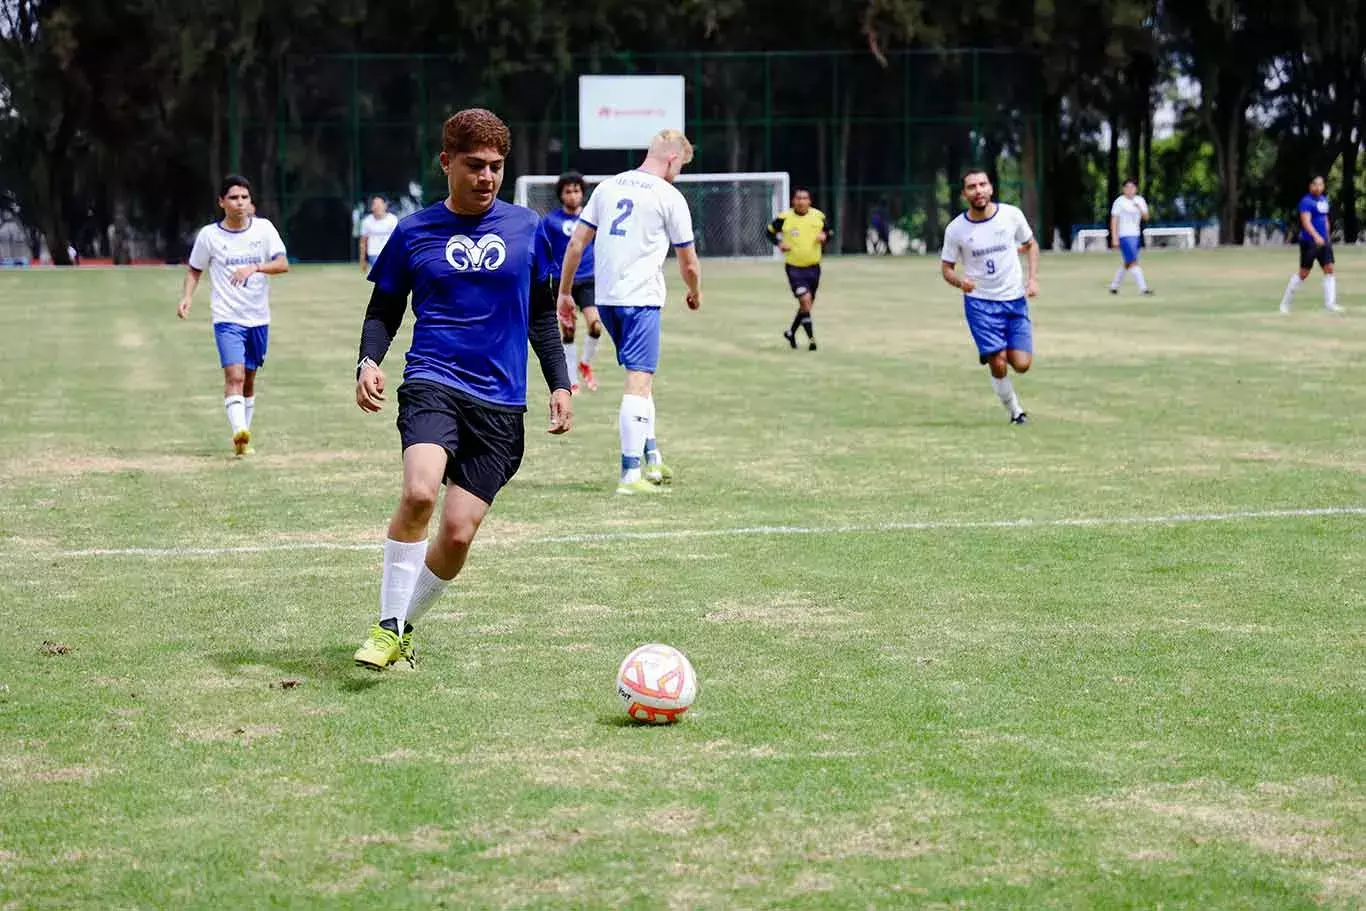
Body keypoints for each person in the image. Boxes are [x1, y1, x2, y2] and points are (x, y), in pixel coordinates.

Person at [351, 108, 572, 671]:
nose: (487, 178)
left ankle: (402, 629)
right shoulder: (413, 231)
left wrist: (560, 382)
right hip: (433, 381)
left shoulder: (529, 228)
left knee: (455, 534)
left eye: (496, 167)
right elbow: (383, 309)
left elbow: (542, 314)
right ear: (446, 162)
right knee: (421, 493)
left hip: (501, 404)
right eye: (475, 166)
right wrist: (368, 361)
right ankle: (386, 626)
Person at [557, 129, 701, 496]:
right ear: (671, 159)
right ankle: (629, 475)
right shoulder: (669, 196)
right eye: (680, 167)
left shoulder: (608, 187)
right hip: (641, 300)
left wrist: (564, 292)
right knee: (639, 380)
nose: (678, 174)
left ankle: (652, 458)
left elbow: (577, 243)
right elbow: (689, 262)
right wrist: (694, 292)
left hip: (606, 300)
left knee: (642, 379)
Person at [177, 175, 290, 456]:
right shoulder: (209, 236)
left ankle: (243, 439)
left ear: (250, 202)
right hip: (227, 317)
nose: (239, 203)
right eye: (233, 198)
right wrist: (187, 297)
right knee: (234, 375)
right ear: (221, 202)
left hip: (258, 317)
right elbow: (194, 269)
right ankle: (238, 430)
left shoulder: (263, 230)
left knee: (249, 378)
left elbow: (282, 264)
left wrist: (255, 268)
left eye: (244, 198)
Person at [939, 168, 1040, 425]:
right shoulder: (956, 229)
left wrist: (1032, 279)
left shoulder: (1011, 215)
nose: (978, 190)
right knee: (998, 361)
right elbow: (946, 268)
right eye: (972, 187)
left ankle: (996, 350)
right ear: (964, 194)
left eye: (982, 184)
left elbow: (1031, 245)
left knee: (1022, 364)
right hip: (980, 304)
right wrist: (961, 282)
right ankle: (1016, 411)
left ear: (991, 188)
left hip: (1014, 300)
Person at [536, 172, 603, 393]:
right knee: (568, 331)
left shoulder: (593, 219)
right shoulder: (551, 221)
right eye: (568, 191)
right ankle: (572, 378)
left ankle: (585, 363)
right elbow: (543, 249)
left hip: (588, 280)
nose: (573, 195)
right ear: (561, 195)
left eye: (576, 190)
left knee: (595, 325)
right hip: (564, 283)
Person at [767, 187, 830, 350]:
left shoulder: (818, 216)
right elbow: (769, 232)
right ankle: (811, 340)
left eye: (805, 198)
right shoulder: (784, 218)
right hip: (794, 268)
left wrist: (825, 237)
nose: (801, 201)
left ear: (809, 201)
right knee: (804, 300)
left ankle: (791, 332)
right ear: (793, 201)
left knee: (806, 306)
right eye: (798, 198)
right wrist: (779, 243)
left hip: (814, 268)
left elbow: (829, 232)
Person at [1280, 175, 1343, 313]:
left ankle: (1330, 304)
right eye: (1316, 184)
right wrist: (1316, 236)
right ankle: (1285, 304)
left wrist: (1327, 236)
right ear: (1310, 186)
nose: (1319, 187)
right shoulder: (1306, 201)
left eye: (1321, 185)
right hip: (1309, 242)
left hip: (1324, 241)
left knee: (1329, 269)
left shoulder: (1324, 200)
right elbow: (1306, 222)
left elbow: (1325, 219)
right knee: (1304, 273)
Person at [1108, 178, 1152, 295]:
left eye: (1132, 187)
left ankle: (1114, 286)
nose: (1130, 190)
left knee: (1128, 262)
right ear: (1123, 189)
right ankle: (1144, 288)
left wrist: (1139, 208)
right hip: (1125, 235)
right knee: (1133, 262)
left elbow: (1146, 217)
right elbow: (1114, 220)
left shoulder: (1140, 200)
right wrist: (1115, 237)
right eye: (1127, 187)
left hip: (1136, 235)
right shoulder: (1119, 202)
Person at [358, 195, 398, 275]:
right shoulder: (367, 221)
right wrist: (363, 260)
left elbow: (397, 240)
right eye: (375, 204)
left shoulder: (393, 220)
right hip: (374, 254)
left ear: (385, 206)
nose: (377, 207)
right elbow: (363, 242)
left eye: (379, 205)